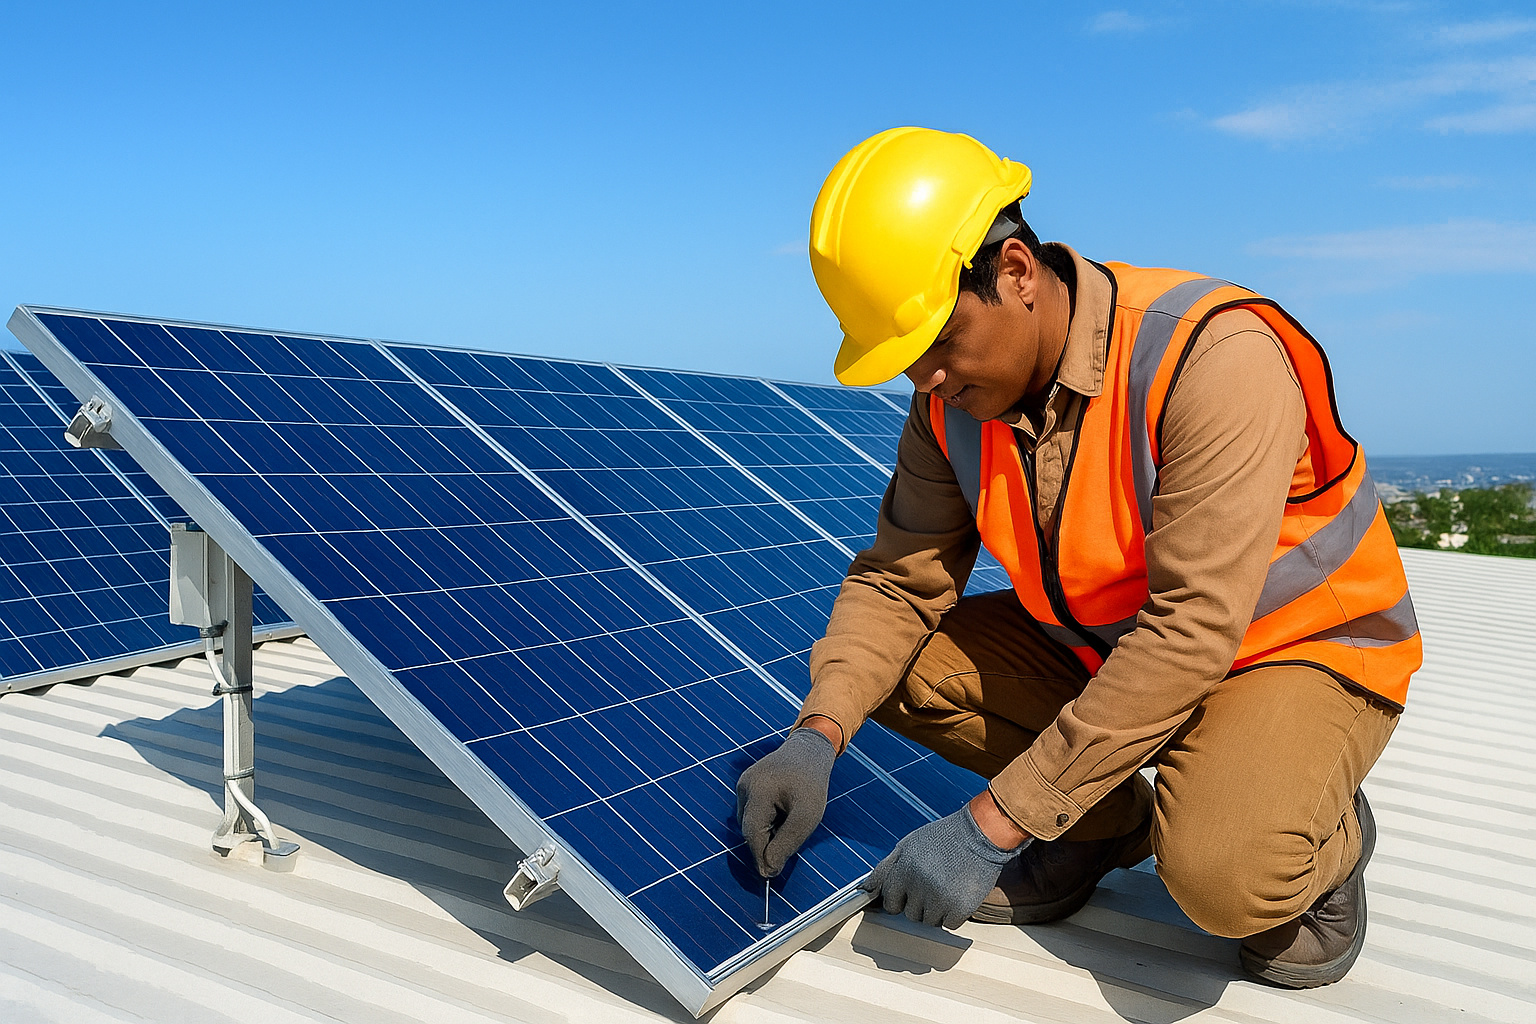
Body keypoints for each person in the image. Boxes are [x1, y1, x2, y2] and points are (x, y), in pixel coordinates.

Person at [735, 127, 1420, 988]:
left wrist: (990, 827)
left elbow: (1192, 630)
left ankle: (1322, 827)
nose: (925, 379)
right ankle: (1099, 825)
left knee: (1223, 877)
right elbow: (898, 581)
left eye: (937, 340)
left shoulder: (1211, 357)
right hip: (1112, 647)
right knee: (886, 671)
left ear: (1016, 271)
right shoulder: (951, 404)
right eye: (907, 359)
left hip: (1290, 648)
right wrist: (818, 735)